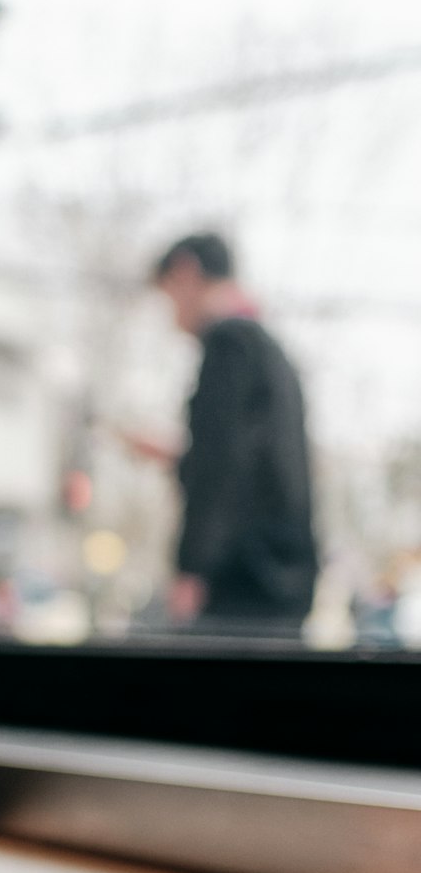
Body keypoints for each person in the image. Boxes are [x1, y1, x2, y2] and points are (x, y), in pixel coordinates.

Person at [146, 232, 317, 634]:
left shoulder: (227, 344)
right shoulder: (266, 349)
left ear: (185, 272)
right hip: (281, 576)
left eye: (167, 296)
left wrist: (192, 568)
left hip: (244, 579)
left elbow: (219, 465)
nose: (171, 314)